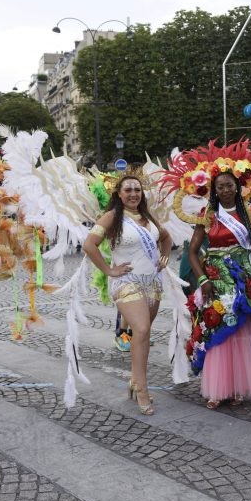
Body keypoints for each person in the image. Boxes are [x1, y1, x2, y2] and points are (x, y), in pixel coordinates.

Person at [168, 142, 251, 410]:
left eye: (229, 185)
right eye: (220, 186)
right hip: (215, 277)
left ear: (237, 186)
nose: (225, 190)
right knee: (218, 327)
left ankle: (237, 387)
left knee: (243, 328)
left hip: (246, 276)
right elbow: (193, 252)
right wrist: (203, 280)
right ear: (214, 189)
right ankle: (217, 387)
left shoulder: (248, 213)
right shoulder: (207, 215)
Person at [83, 175, 172, 414]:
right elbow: (89, 244)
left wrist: (164, 257)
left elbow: (166, 238)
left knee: (142, 336)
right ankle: (142, 389)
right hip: (126, 282)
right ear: (119, 194)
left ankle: (134, 380)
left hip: (152, 283)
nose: (133, 194)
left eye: (137, 190)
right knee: (141, 330)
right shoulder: (112, 217)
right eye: (128, 190)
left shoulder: (148, 217)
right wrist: (108, 270)